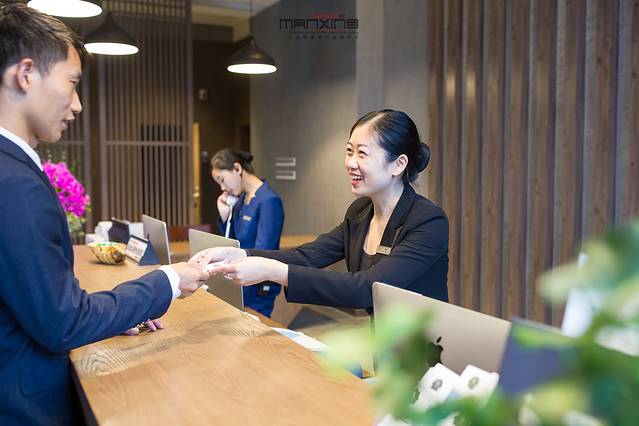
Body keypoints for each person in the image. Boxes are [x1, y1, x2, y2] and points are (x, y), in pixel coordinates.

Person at [0, 4, 209, 424]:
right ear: (26, 74)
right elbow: (63, 322)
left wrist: (116, 314)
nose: (77, 105)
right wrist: (168, 280)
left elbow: (41, 303)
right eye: (72, 83)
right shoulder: (14, 182)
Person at [191, 110, 449, 312]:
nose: (350, 163)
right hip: (383, 343)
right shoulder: (360, 212)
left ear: (398, 164)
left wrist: (273, 271)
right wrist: (240, 253)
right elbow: (308, 256)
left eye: (362, 153)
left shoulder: (427, 222)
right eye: (349, 151)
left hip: (429, 350)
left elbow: (365, 288)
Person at [210, 148, 284, 317]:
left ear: (237, 169)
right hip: (241, 278)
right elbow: (232, 242)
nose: (223, 188)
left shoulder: (269, 200)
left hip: (257, 284)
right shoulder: (242, 199)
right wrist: (225, 215)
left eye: (222, 180)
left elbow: (264, 250)